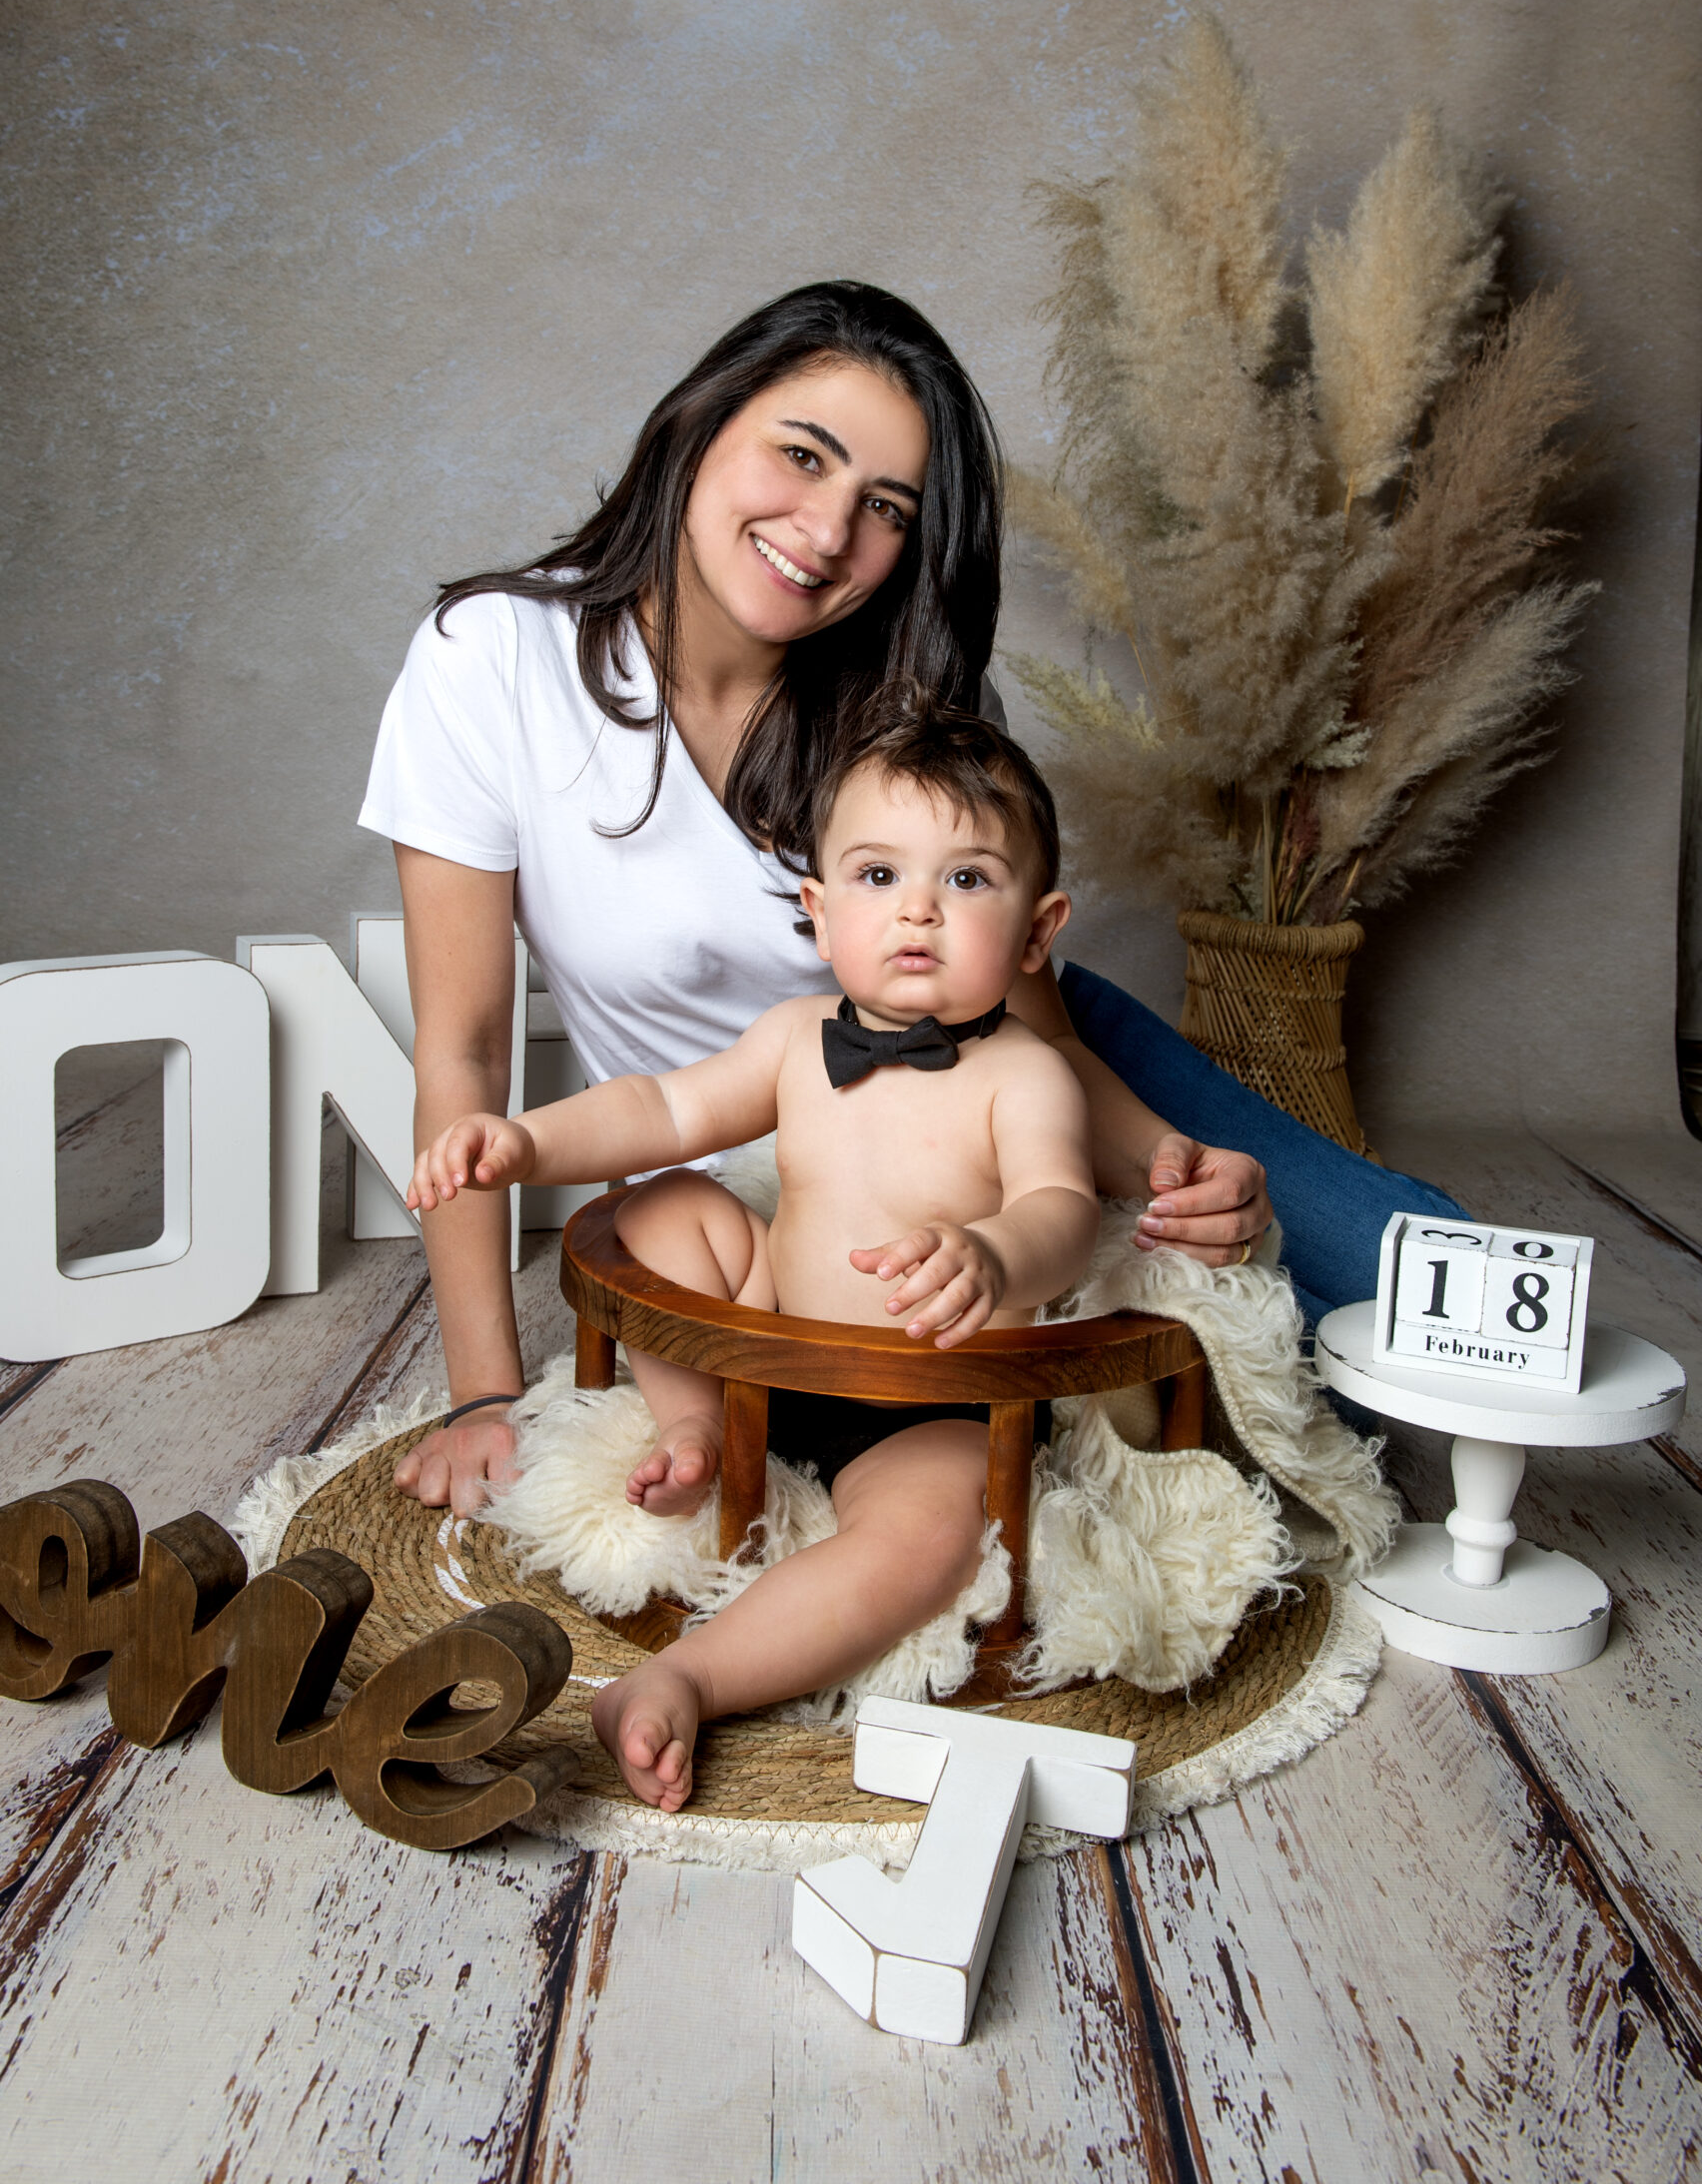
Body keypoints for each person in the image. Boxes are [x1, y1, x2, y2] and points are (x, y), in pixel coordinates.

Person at [359, 281, 1461, 1520]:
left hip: (1026, 1081)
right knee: (1304, 1388)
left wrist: (1173, 1169)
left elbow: (1032, 1038)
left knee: (1415, 1292)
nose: (827, 531)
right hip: (787, 1186)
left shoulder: (912, 697)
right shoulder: (493, 659)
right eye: (801, 454)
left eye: (885, 507)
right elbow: (463, 1052)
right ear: (699, 422)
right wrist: (481, 1395)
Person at [408, 695, 1103, 1811]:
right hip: (767, 1344)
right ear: (820, 913)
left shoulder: (1027, 1076)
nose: (917, 908)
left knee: (930, 1544)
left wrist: (995, 1253)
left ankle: (690, 1676)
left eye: (968, 879)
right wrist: (525, 1143)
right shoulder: (794, 1039)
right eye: (879, 875)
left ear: (1036, 931)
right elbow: (663, 1108)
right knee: (662, 1205)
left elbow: (1066, 1210)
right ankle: (695, 1423)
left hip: (925, 1397)